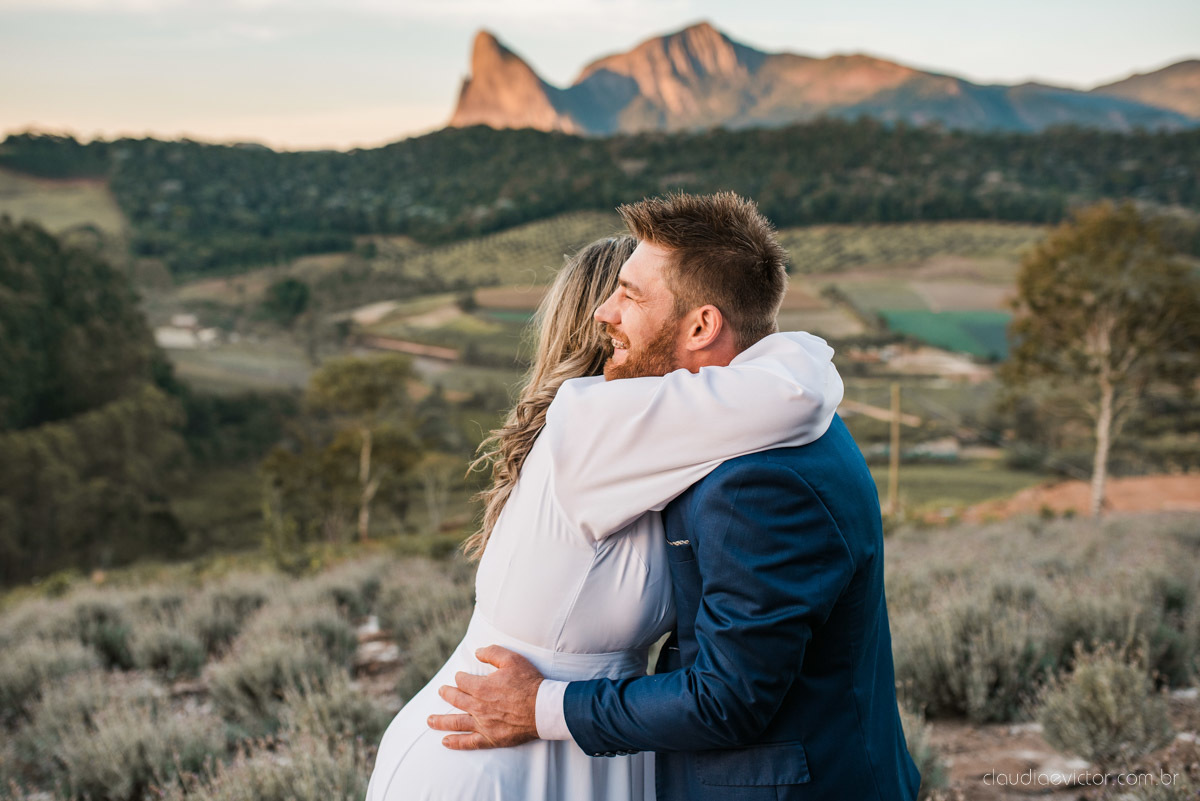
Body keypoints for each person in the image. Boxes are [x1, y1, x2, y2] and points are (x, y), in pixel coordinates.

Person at [429, 193, 921, 801]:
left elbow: (728, 699)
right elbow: (798, 387)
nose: (604, 313)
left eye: (630, 295)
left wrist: (543, 707)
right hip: (483, 754)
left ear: (701, 326)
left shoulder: (756, 476)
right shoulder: (779, 417)